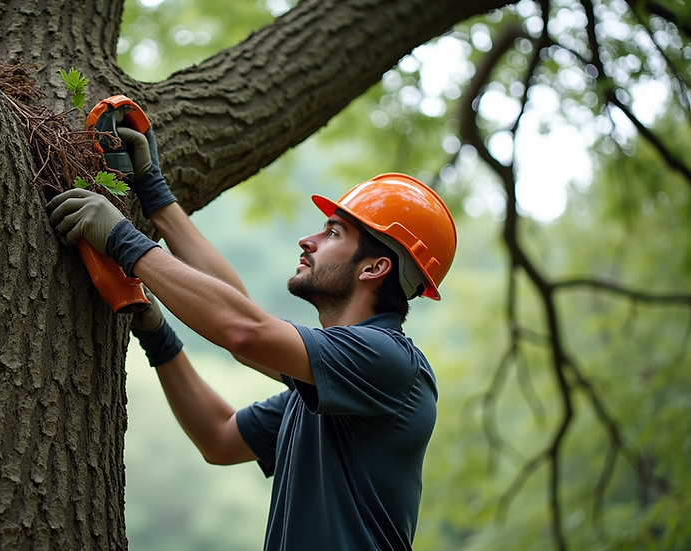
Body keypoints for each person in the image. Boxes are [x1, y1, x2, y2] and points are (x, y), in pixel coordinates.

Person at [47, 123, 457, 551]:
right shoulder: (327, 395)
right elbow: (219, 436)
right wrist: (155, 329)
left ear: (374, 268)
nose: (308, 239)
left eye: (333, 233)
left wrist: (122, 241)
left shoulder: (390, 361)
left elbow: (245, 330)